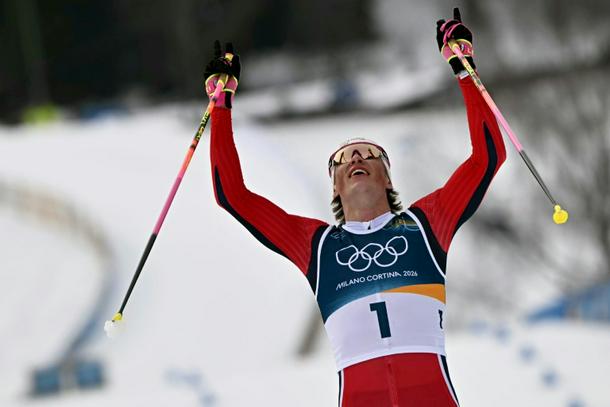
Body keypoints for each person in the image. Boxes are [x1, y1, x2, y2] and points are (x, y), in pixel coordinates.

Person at [205, 8, 505, 407]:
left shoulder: (426, 223)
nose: (356, 158)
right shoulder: (316, 246)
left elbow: (487, 157)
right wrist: (220, 105)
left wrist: (464, 67)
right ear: (335, 186)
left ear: (388, 178)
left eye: (369, 154)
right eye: (343, 159)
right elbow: (231, 195)